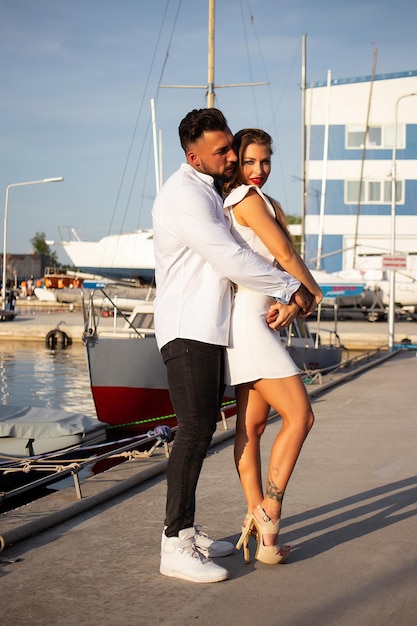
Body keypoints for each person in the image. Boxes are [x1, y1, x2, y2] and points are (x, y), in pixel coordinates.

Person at [152, 109, 315, 583]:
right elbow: (232, 258)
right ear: (193, 155)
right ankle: (173, 543)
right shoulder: (186, 195)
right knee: (195, 430)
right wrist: (293, 288)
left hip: (213, 328)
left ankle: (188, 531)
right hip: (189, 327)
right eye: (223, 151)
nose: (231, 157)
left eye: (231, 148)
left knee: (207, 431)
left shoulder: (210, 193)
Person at [222, 128, 323, 565]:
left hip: (255, 316)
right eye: (249, 162)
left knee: (253, 428)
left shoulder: (249, 201)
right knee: (301, 416)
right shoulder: (246, 198)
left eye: (265, 162)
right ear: (235, 164)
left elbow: (262, 263)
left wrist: (288, 302)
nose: (258, 170)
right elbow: (282, 251)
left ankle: (260, 534)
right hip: (249, 323)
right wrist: (312, 293)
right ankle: (270, 508)